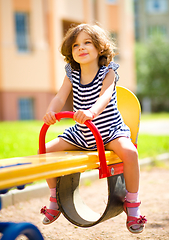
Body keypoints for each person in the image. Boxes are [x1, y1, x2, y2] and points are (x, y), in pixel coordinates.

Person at [40, 23, 147, 233]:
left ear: (99, 48)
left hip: (109, 131)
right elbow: (60, 96)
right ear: (71, 52)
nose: (81, 47)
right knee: (44, 151)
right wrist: (51, 111)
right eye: (75, 45)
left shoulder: (107, 72)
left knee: (130, 153)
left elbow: (105, 97)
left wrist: (91, 112)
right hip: (82, 133)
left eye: (87, 42)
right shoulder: (72, 73)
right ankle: (55, 198)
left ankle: (132, 203)